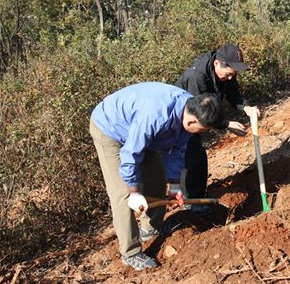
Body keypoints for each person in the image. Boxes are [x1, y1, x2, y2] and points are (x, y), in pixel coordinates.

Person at [89, 82, 225, 270]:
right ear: (191, 122)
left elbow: (177, 150)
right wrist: (135, 192)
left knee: (157, 179)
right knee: (123, 194)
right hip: (111, 129)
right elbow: (130, 155)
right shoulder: (155, 116)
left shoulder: (188, 111)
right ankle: (130, 252)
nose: (202, 134)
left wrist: (175, 185)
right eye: (202, 130)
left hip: (140, 131)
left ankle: (151, 227)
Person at [173, 43, 260, 215]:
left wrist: (245, 107)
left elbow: (232, 92)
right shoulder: (196, 78)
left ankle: (190, 195)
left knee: (193, 155)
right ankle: (192, 201)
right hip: (182, 119)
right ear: (217, 63)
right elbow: (201, 113)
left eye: (233, 75)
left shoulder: (226, 73)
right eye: (229, 74)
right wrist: (226, 125)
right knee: (194, 155)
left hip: (197, 115)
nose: (230, 78)